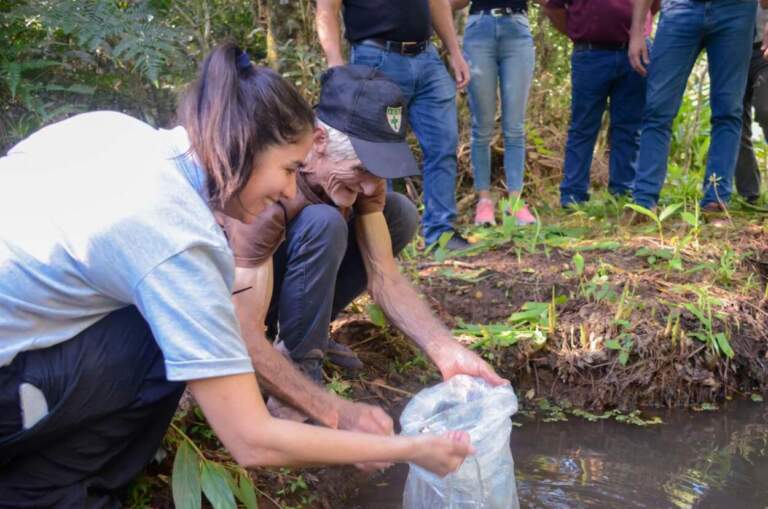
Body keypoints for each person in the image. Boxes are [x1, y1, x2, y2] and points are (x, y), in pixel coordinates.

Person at [0, 43, 474, 507]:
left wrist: (348, 405)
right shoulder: (175, 232)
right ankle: (48, 493)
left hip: (30, 341)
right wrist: (406, 448)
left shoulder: (116, 131)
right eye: (287, 169)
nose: (289, 187)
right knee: (170, 335)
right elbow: (251, 439)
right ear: (243, 147)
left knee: (169, 324)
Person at [219, 65, 507, 437]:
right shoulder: (267, 186)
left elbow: (384, 276)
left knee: (398, 213)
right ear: (319, 141)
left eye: (379, 171)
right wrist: (301, 395)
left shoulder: (366, 183)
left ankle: (308, 339)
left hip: (295, 289)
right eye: (362, 168)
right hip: (243, 301)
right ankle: (299, 365)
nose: (371, 187)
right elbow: (240, 327)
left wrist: (445, 349)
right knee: (324, 222)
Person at [316, 0, 473, 251]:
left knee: (443, 145)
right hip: (376, 56)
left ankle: (441, 234)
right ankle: (381, 236)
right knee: (377, 152)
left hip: (427, 57)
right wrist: (336, 67)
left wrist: (454, 50)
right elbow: (326, 10)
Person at [628, 0, 757, 213]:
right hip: (680, 8)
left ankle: (716, 199)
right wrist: (637, 31)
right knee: (657, 108)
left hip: (737, 10)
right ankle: (643, 201)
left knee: (728, 110)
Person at [544, 0, 657, 208]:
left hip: (635, 53)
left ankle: (623, 192)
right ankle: (573, 195)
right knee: (583, 126)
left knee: (630, 127)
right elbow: (554, 8)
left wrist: (638, 30)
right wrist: (578, 32)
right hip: (590, 54)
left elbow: (653, 4)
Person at [450, 0, 537, 226]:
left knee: (515, 126)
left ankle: (515, 203)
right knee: (482, 126)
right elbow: (453, 3)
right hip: (479, 29)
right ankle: (484, 201)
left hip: (517, 30)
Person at [735, 3, 768, 204]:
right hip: (730, 47)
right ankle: (749, 194)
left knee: (766, 109)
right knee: (732, 118)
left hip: (763, 47)